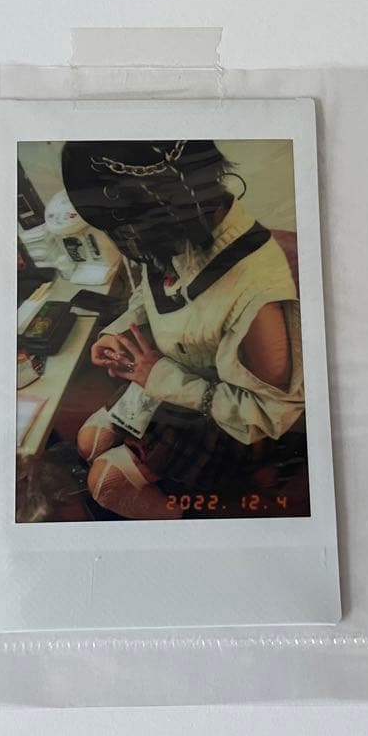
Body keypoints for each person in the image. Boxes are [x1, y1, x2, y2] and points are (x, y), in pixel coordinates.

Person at [61, 140, 306, 520]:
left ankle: (194, 527)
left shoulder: (258, 298)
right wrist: (118, 332)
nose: (124, 244)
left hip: (225, 422)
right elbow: (151, 292)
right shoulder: (181, 232)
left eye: (123, 230)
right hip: (172, 375)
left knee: (105, 481)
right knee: (89, 442)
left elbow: (267, 416)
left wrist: (161, 378)